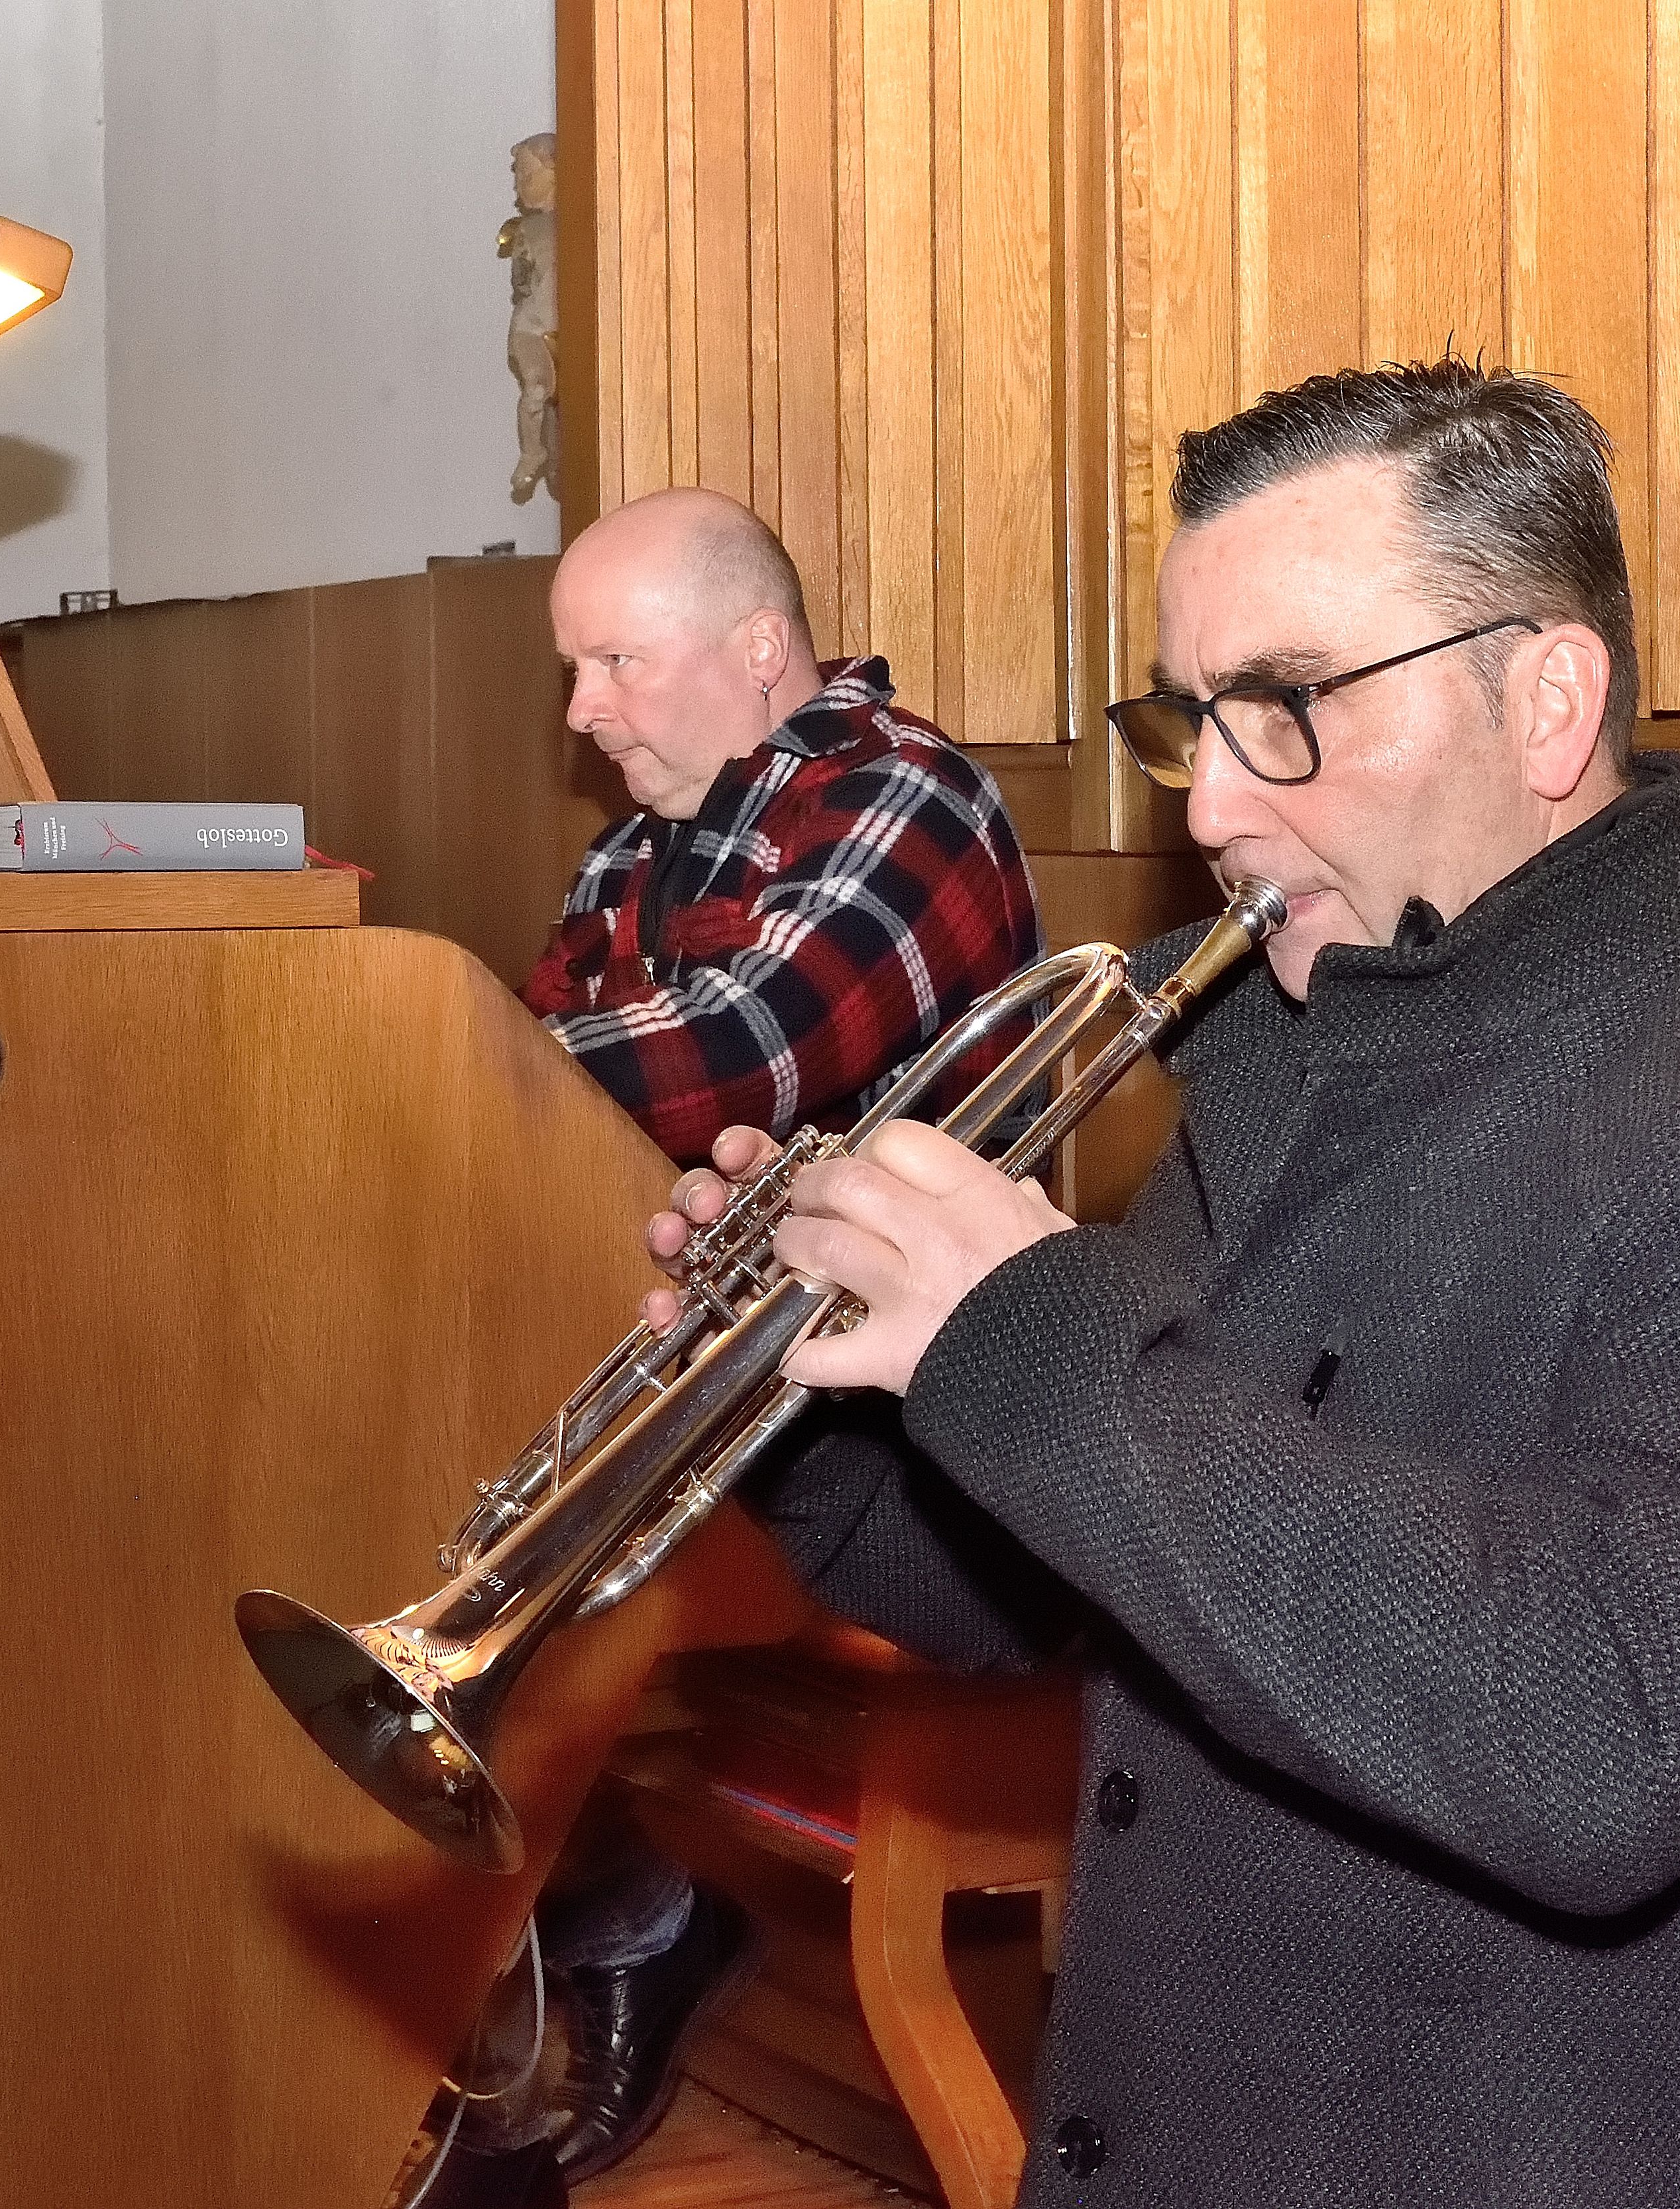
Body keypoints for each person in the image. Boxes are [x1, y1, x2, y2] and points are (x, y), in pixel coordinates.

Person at [651, 363, 1680, 2205]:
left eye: (1283, 709)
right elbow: (1070, 1582)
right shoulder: (1290, 1054)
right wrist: (793, 1400)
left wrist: (1027, 1332)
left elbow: (1600, 1733)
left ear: (1546, 700)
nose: (1210, 804)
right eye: (1192, 718)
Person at [396, 484, 1044, 2209]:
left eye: (614, 662)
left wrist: (414, 1076)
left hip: (894, 1425)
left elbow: (728, 1054)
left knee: (428, 1480)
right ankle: (512, 1963)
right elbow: (561, 1127)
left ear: (761, 651)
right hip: (714, 1356)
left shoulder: (902, 789)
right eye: (573, 669)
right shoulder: (641, 841)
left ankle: (583, 1940)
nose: (580, 712)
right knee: (358, 1420)